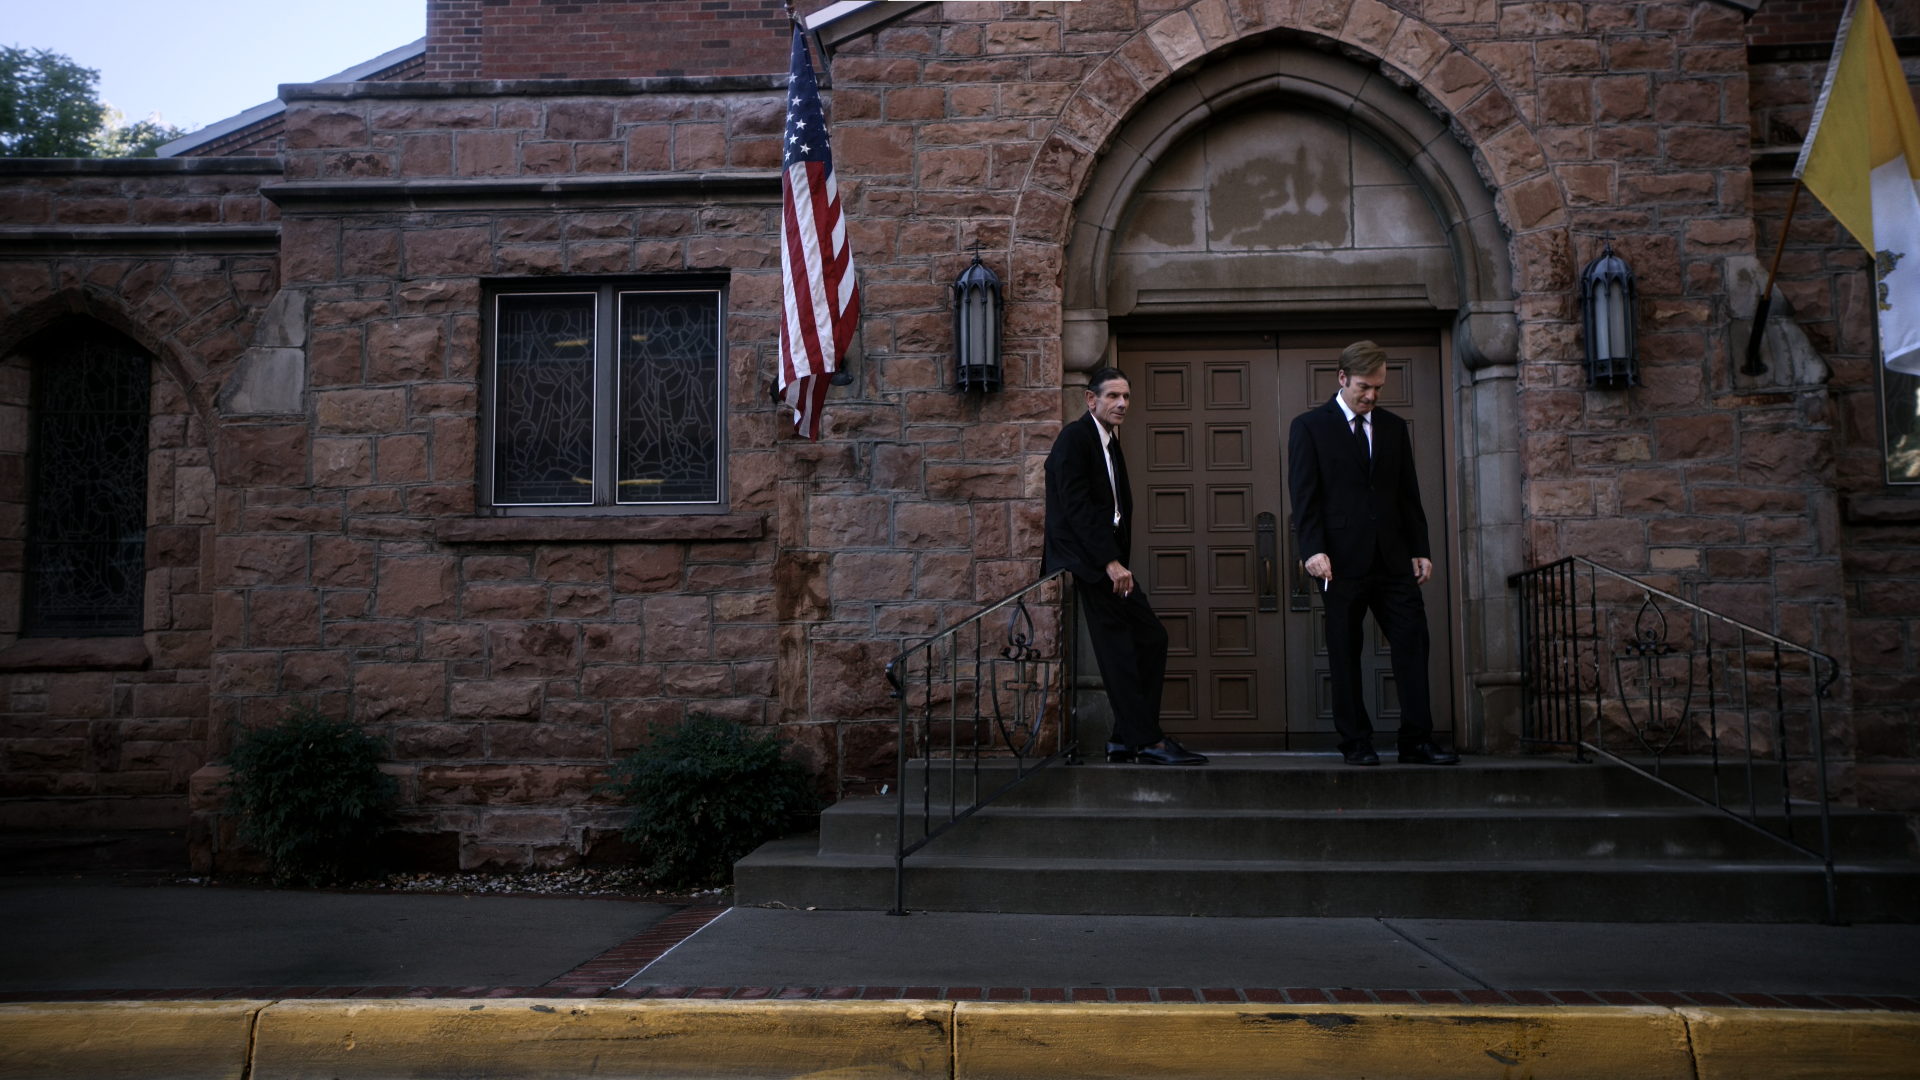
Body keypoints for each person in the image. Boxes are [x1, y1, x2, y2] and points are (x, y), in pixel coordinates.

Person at [1287, 341, 1459, 767]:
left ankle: (1416, 741)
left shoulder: (1394, 427)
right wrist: (1312, 550)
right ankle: (1356, 742)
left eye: (1379, 388)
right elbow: (1304, 496)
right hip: (1340, 562)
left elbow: (1407, 495)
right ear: (1342, 378)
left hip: (1394, 559)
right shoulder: (1309, 427)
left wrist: (1420, 548)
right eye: (1365, 386)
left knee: (1412, 643)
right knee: (1344, 652)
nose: (1372, 396)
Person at [1044, 368, 1207, 766]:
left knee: (1151, 638)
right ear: (1090, 400)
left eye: (1127, 397)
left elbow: (1113, 507)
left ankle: (1122, 738)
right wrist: (1110, 563)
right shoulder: (1075, 437)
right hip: (1090, 562)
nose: (1121, 404)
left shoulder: (1109, 442)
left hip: (1108, 561)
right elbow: (1077, 507)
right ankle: (1148, 741)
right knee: (1117, 646)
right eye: (1113, 395)